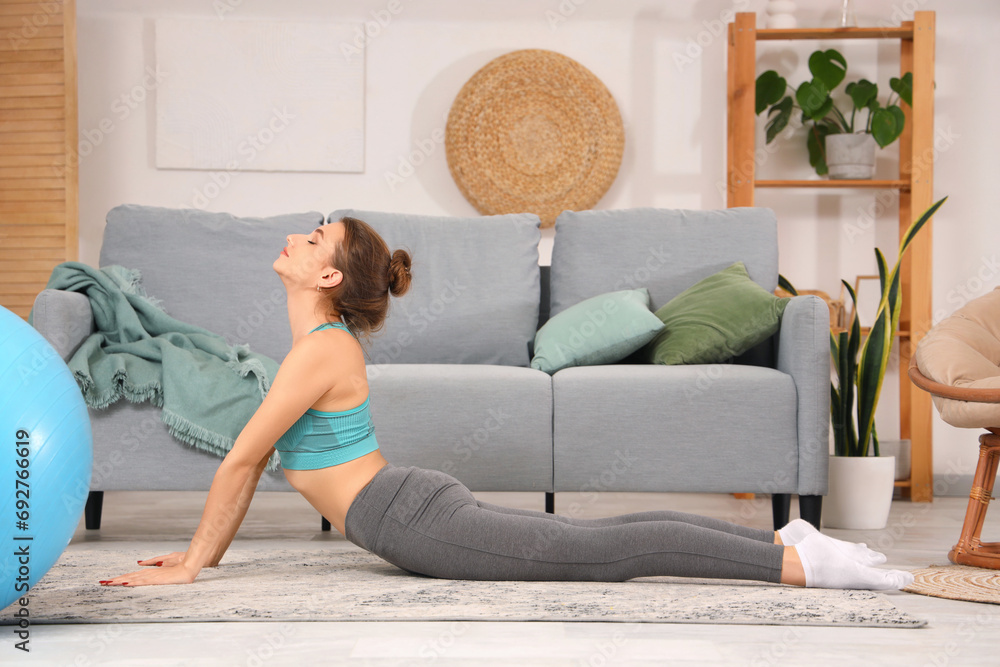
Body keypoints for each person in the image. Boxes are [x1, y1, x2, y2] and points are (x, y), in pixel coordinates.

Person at [99, 217, 914, 592]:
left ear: (329, 278)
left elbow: (242, 458)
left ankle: (801, 563)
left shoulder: (321, 350)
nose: (299, 238)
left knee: (603, 555)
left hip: (408, 518)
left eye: (315, 238)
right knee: (595, 539)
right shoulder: (318, 348)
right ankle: (787, 534)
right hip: (407, 504)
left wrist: (194, 562)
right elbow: (250, 459)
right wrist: (199, 554)